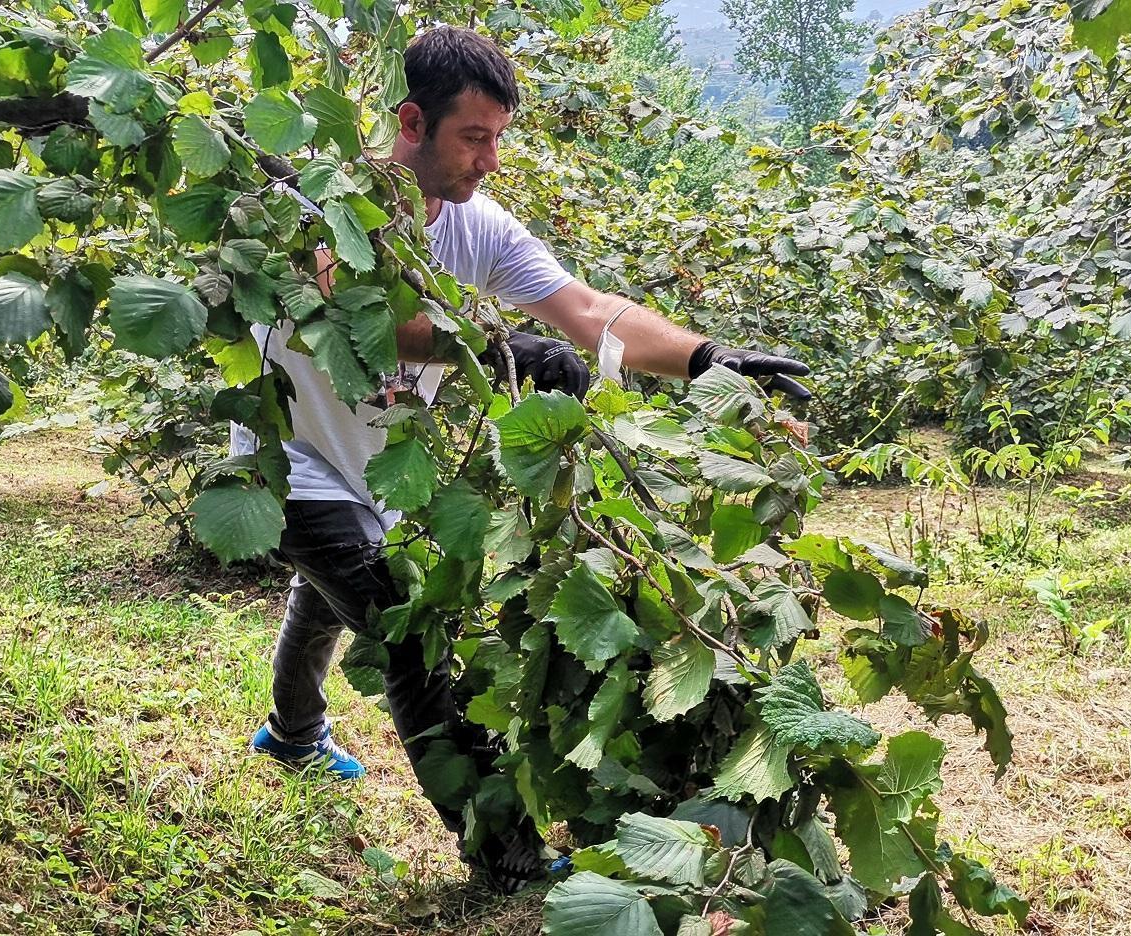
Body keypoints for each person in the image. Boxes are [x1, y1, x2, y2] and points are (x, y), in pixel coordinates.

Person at [235, 25, 811, 889]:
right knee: (407, 631)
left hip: (379, 466)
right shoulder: (332, 200)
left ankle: (289, 733)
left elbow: (586, 309)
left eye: (498, 138)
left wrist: (705, 357)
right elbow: (354, 309)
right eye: (475, 137)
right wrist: (503, 345)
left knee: (328, 595)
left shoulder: (479, 227)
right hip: (286, 464)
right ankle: (499, 851)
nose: (490, 162)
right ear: (411, 121)